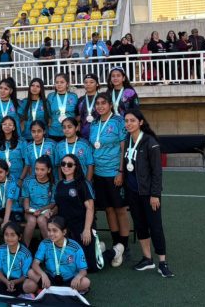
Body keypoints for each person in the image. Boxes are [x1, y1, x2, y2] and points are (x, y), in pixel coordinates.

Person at [122, 110, 174, 277]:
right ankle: (147, 259)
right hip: (132, 192)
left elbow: (157, 172)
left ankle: (162, 262)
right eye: (126, 121)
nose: (128, 123)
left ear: (141, 122)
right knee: (140, 225)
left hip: (148, 193)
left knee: (155, 227)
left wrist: (155, 194)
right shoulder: (127, 139)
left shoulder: (150, 142)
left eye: (132, 120)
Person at [52, 154, 121, 272]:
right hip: (66, 230)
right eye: (63, 164)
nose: (65, 167)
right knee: (72, 264)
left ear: (76, 167)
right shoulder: (59, 185)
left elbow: (90, 208)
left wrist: (87, 230)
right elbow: (59, 206)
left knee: (92, 267)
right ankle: (98, 247)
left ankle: (116, 251)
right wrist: (51, 211)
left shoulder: (82, 184)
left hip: (82, 227)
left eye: (69, 164)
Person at [89, 94, 129, 265]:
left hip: (114, 172)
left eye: (103, 103)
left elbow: (123, 147)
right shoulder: (94, 124)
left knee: (120, 209)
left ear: (110, 105)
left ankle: (124, 246)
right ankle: (115, 245)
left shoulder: (118, 121)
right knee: (108, 209)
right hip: (99, 173)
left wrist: (120, 171)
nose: (100, 106)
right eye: (97, 104)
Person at [23, 216, 90, 294]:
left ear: (64, 232)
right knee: (30, 274)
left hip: (69, 279)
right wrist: (43, 275)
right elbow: (35, 264)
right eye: (49, 230)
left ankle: (50, 290)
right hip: (50, 279)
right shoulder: (45, 243)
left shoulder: (75, 247)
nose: (51, 234)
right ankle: (62, 291)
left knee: (86, 282)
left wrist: (78, 277)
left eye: (55, 230)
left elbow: (83, 270)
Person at [0, 222, 32, 297]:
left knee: (32, 285)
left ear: (19, 237)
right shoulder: (0, 250)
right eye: (6, 235)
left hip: (19, 281)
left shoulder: (26, 253)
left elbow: (26, 275)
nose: (9, 238)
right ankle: (17, 294)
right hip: (3, 280)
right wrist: (6, 281)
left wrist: (14, 282)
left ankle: (1, 292)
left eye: (13, 235)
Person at [0, 160, 22, 254]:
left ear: (7, 172)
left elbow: (9, 201)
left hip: (12, 210)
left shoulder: (12, 182)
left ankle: (12, 253)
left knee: (9, 228)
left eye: (0, 172)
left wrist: (6, 221)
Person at [21, 155, 55, 246]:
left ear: (49, 170)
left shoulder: (53, 184)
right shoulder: (28, 181)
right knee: (32, 221)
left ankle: (49, 248)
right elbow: (26, 201)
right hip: (30, 211)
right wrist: (28, 210)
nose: (38, 172)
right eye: (36, 169)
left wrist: (41, 210)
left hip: (45, 211)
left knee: (41, 220)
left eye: (42, 170)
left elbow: (52, 203)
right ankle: (24, 250)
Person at [46, 73, 79, 141]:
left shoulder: (73, 96)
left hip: (70, 132)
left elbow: (77, 115)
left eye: (62, 82)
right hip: (54, 132)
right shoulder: (50, 96)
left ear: (67, 84)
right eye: (57, 82)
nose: (59, 84)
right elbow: (48, 114)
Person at [77, 73, 100, 138]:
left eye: (91, 82)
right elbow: (77, 117)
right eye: (86, 82)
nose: (88, 84)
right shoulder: (80, 100)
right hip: (83, 134)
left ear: (97, 84)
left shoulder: (102, 99)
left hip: (100, 133)